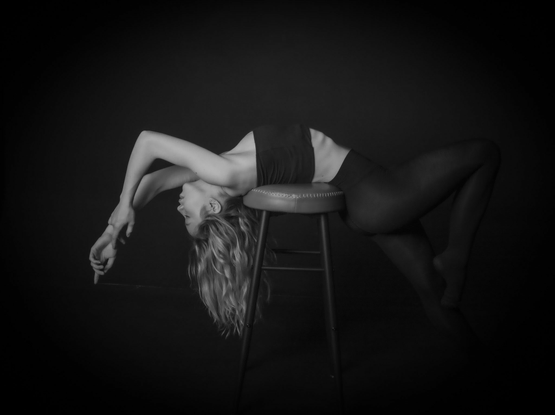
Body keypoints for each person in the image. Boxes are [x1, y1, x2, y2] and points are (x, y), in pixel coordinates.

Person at [89, 124, 500, 354]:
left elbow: (153, 180)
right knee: (485, 152)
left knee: (437, 299)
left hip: (364, 209)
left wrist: (112, 229)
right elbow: (148, 141)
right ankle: (457, 256)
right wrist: (124, 208)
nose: (179, 208)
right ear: (213, 207)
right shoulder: (224, 174)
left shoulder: (218, 171)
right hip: (373, 194)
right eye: (188, 217)